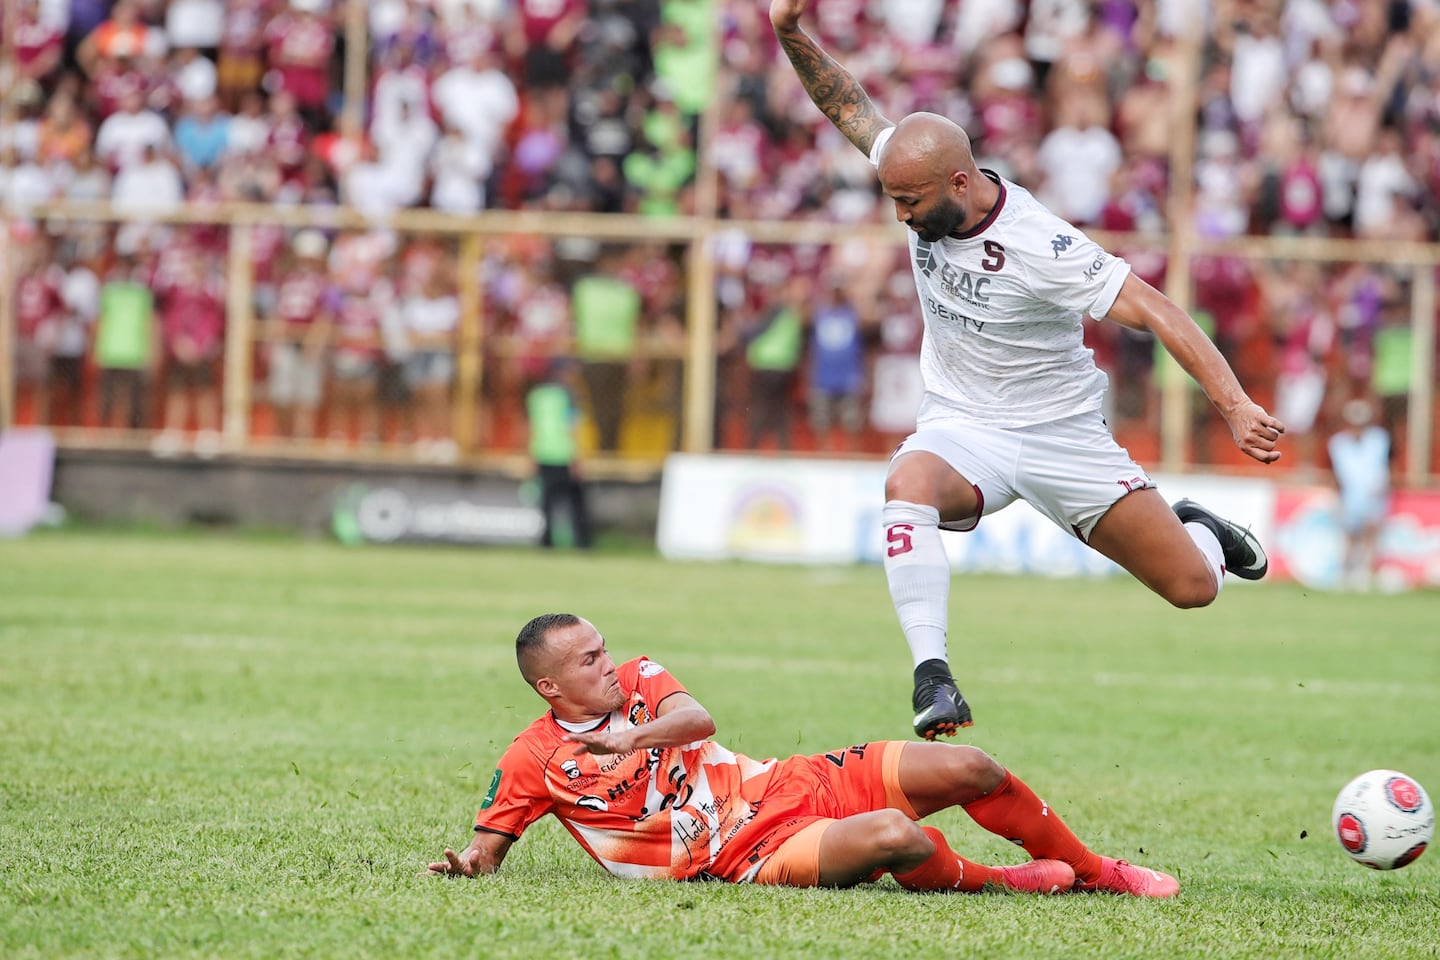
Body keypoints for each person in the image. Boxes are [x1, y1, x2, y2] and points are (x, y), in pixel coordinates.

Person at [770, 0, 1286, 739]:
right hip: (962, 424)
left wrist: (1233, 405)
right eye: (892, 200)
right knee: (906, 485)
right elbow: (847, 104)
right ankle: (933, 678)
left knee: (1192, 588)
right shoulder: (916, 172)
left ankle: (1201, 528)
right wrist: (790, 33)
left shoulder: (1040, 245)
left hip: (1060, 434)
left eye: (910, 203)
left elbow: (1157, 309)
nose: (901, 217)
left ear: (958, 183)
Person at [428, 613, 1179, 897]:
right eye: (590, 660)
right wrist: (467, 865)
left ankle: (1096, 872)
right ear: (550, 686)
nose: (608, 664)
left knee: (971, 766)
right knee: (896, 835)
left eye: (604, 649)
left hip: (791, 779)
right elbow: (487, 852)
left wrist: (630, 734)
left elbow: (698, 720)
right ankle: (1003, 883)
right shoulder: (533, 758)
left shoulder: (641, 680)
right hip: (747, 852)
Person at [1327, 398, 1391, 590]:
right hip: (1350, 496)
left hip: (1373, 494)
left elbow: (1385, 466)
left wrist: (1382, 488)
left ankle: (1367, 574)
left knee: (1371, 536)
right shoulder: (1338, 443)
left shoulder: (1379, 439)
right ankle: (1343, 575)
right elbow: (1337, 473)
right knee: (1348, 537)